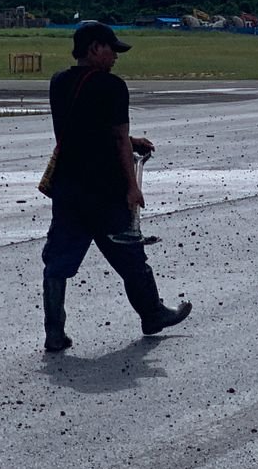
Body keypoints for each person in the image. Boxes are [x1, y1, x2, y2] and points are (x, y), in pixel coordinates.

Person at [41, 22, 192, 352]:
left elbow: (84, 129)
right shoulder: (112, 86)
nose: (115, 57)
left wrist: (129, 140)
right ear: (95, 48)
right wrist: (131, 187)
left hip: (67, 189)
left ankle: (54, 332)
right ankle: (152, 314)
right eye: (111, 49)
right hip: (104, 190)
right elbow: (118, 140)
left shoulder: (58, 82)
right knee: (130, 255)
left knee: (58, 262)